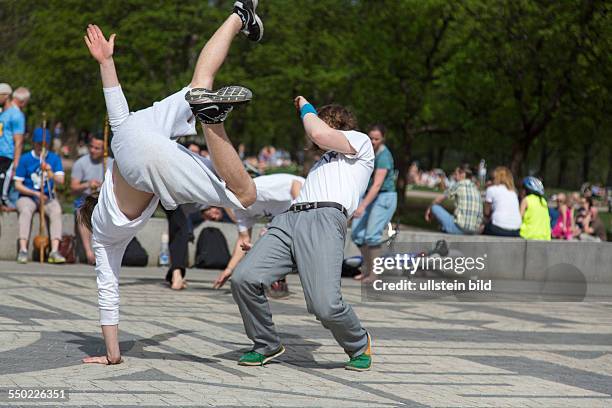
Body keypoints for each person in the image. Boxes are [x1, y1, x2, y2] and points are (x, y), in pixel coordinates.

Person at [79, 0, 263, 365]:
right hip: (128, 132)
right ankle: (240, 15)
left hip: (144, 164)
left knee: (245, 195)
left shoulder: (102, 236)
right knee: (200, 83)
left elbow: (108, 291)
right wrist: (106, 62)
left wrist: (112, 355)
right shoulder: (107, 182)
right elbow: (116, 110)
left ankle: (212, 120)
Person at [231, 99, 375, 371]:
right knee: (244, 278)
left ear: (335, 123)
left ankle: (358, 343)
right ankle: (266, 343)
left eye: (321, 121)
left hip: (325, 219)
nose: (314, 131)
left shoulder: (360, 143)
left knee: (325, 306)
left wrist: (306, 108)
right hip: (290, 218)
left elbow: (318, 133)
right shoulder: (322, 161)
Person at [212, 173, 305, 297]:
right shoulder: (239, 208)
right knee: (267, 235)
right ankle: (277, 281)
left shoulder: (258, 189)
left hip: (307, 200)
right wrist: (229, 269)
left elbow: (295, 184)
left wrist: (298, 212)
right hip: (285, 217)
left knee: (270, 234)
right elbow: (243, 239)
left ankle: (278, 279)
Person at [351, 124, 397, 281]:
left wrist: (362, 206)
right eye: (370, 138)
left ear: (383, 138)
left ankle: (374, 274)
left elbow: (377, 184)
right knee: (357, 234)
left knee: (372, 235)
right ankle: (367, 269)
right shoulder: (368, 151)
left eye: (376, 139)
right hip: (370, 196)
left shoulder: (384, 156)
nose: (373, 141)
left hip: (384, 197)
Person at [14, 127, 66, 263]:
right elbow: (17, 184)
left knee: (56, 210)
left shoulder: (53, 159)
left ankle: (55, 250)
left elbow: (61, 181)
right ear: (33, 143)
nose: (41, 147)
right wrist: (35, 193)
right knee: (25, 210)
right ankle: (23, 249)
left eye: (44, 144)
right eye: (38, 143)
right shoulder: (25, 159)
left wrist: (50, 171)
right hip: (28, 196)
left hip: (47, 197)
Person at [71, 134, 111, 264]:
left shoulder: (111, 163)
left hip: (104, 200)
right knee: (81, 212)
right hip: (86, 199)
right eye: (91, 147)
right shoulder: (81, 163)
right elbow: (73, 187)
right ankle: (89, 254)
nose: (93, 150)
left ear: (105, 150)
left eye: (97, 148)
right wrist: (87, 184)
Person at [425, 165, 483, 234]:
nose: (454, 177)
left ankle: (444, 231)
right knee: (452, 218)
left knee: (435, 207)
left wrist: (429, 209)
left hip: (459, 228)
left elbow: (438, 199)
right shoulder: (476, 189)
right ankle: (443, 229)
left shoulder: (459, 185)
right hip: (474, 230)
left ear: (463, 175)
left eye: (456, 174)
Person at [0, 86, 30, 209]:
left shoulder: (16, 115)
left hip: (8, 154)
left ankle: (5, 201)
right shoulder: (3, 112)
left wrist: (16, 161)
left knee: (5, 182)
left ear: (6, 96)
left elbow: (19, 140)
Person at [483, 166, 521, 237]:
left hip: (498, 228)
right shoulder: (514, 192)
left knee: (483, 229)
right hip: (516, 230)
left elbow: (486, 212)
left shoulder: (491, 189)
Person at [519, 176, 551, 240]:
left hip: (528, 235)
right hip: (545, 237)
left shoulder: (526, 200)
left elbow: (518, 218)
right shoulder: (543, 201)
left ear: (527, 189)